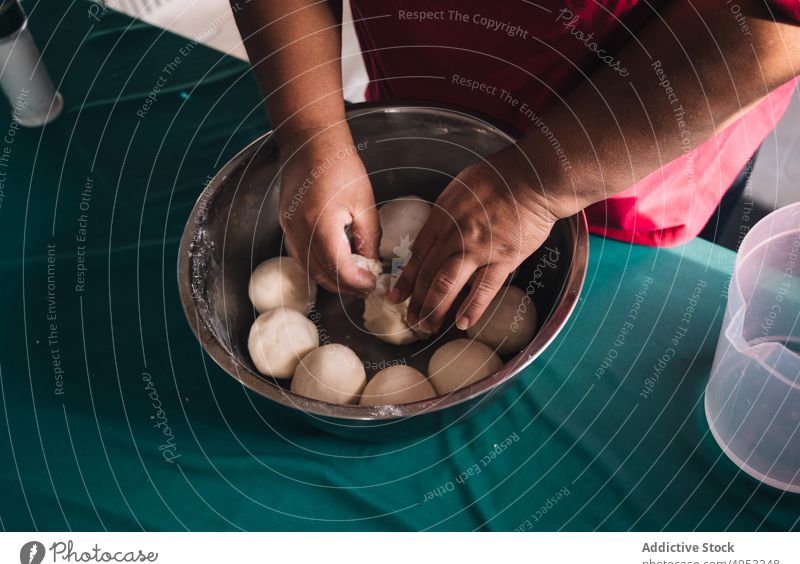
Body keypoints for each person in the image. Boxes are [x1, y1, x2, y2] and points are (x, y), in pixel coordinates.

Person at [232, 0, 800, 334]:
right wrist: (313, 133)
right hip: (427, 90)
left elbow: (769, 29)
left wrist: (538, 186)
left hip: (635, 152)